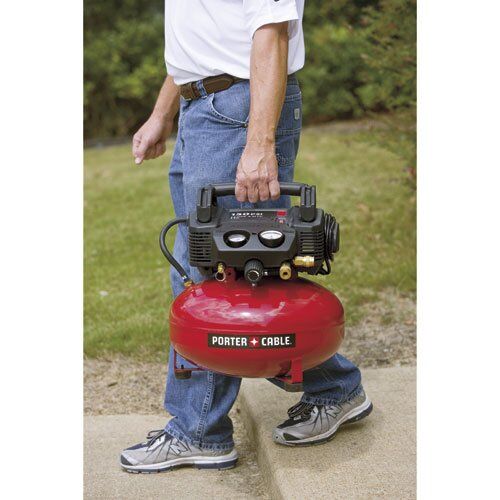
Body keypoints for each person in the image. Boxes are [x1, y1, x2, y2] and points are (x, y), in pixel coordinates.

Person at [120, 0, 372, 473]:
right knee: (207, 270)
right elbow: (200, 44)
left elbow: (271, 34)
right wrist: (163, 113)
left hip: (238, 111)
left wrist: (259, 145)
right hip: (202, 110)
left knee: (220, 278)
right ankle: (335, 388)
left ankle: (200, 429)